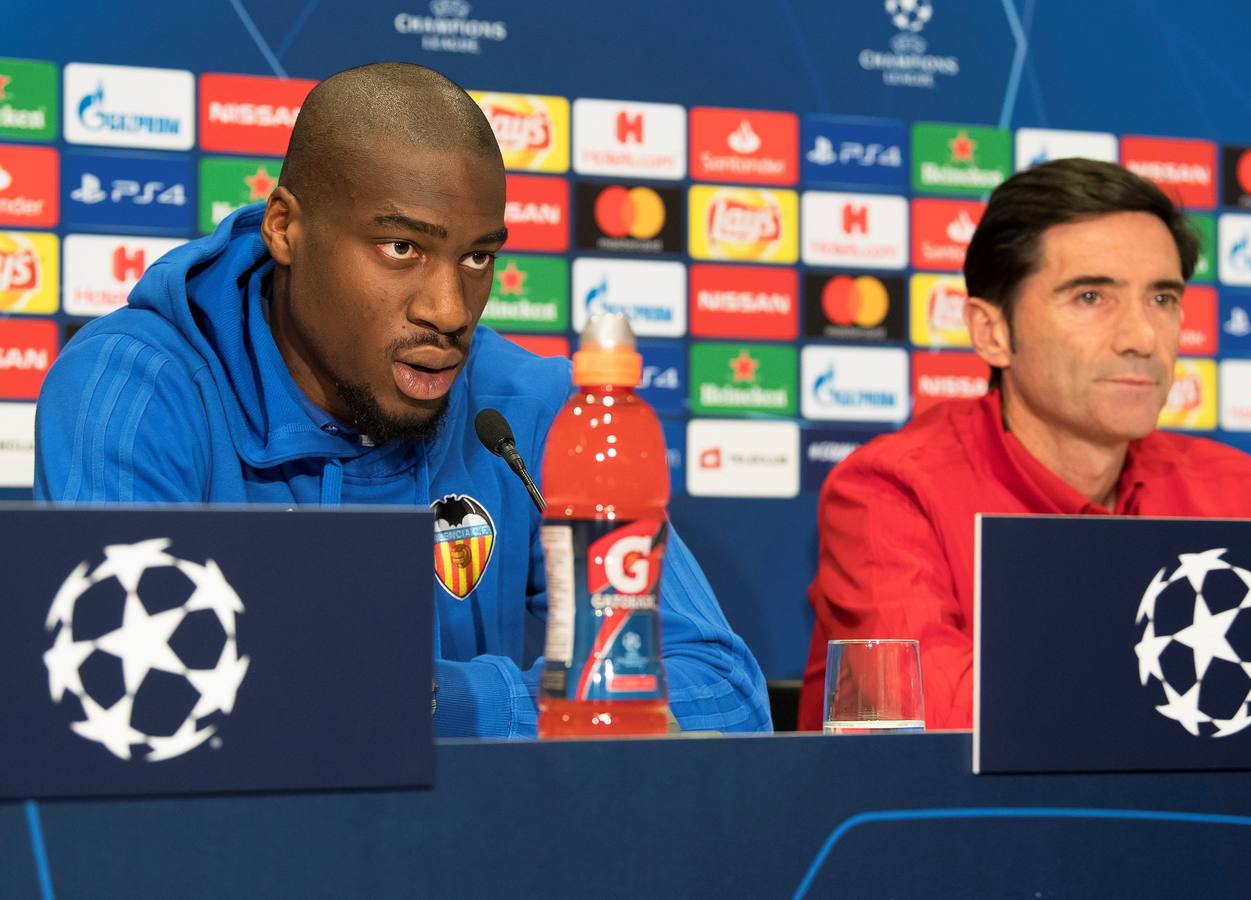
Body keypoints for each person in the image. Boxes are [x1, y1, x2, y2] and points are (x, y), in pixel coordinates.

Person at [35, 62, 770, 738]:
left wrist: (458, 703)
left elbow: (726, 697)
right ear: (285, 227)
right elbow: (120, 704)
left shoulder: (532, 412)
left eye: (478, 256)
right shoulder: (136, 390)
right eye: (401, 249)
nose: (450, 310)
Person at [799, 158, 1251, 731]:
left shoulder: (1226, 487)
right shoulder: (892, 492)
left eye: (1162, 299)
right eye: (1091, 298)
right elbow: (934, 724)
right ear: (991, 331)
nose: (1143, 338)